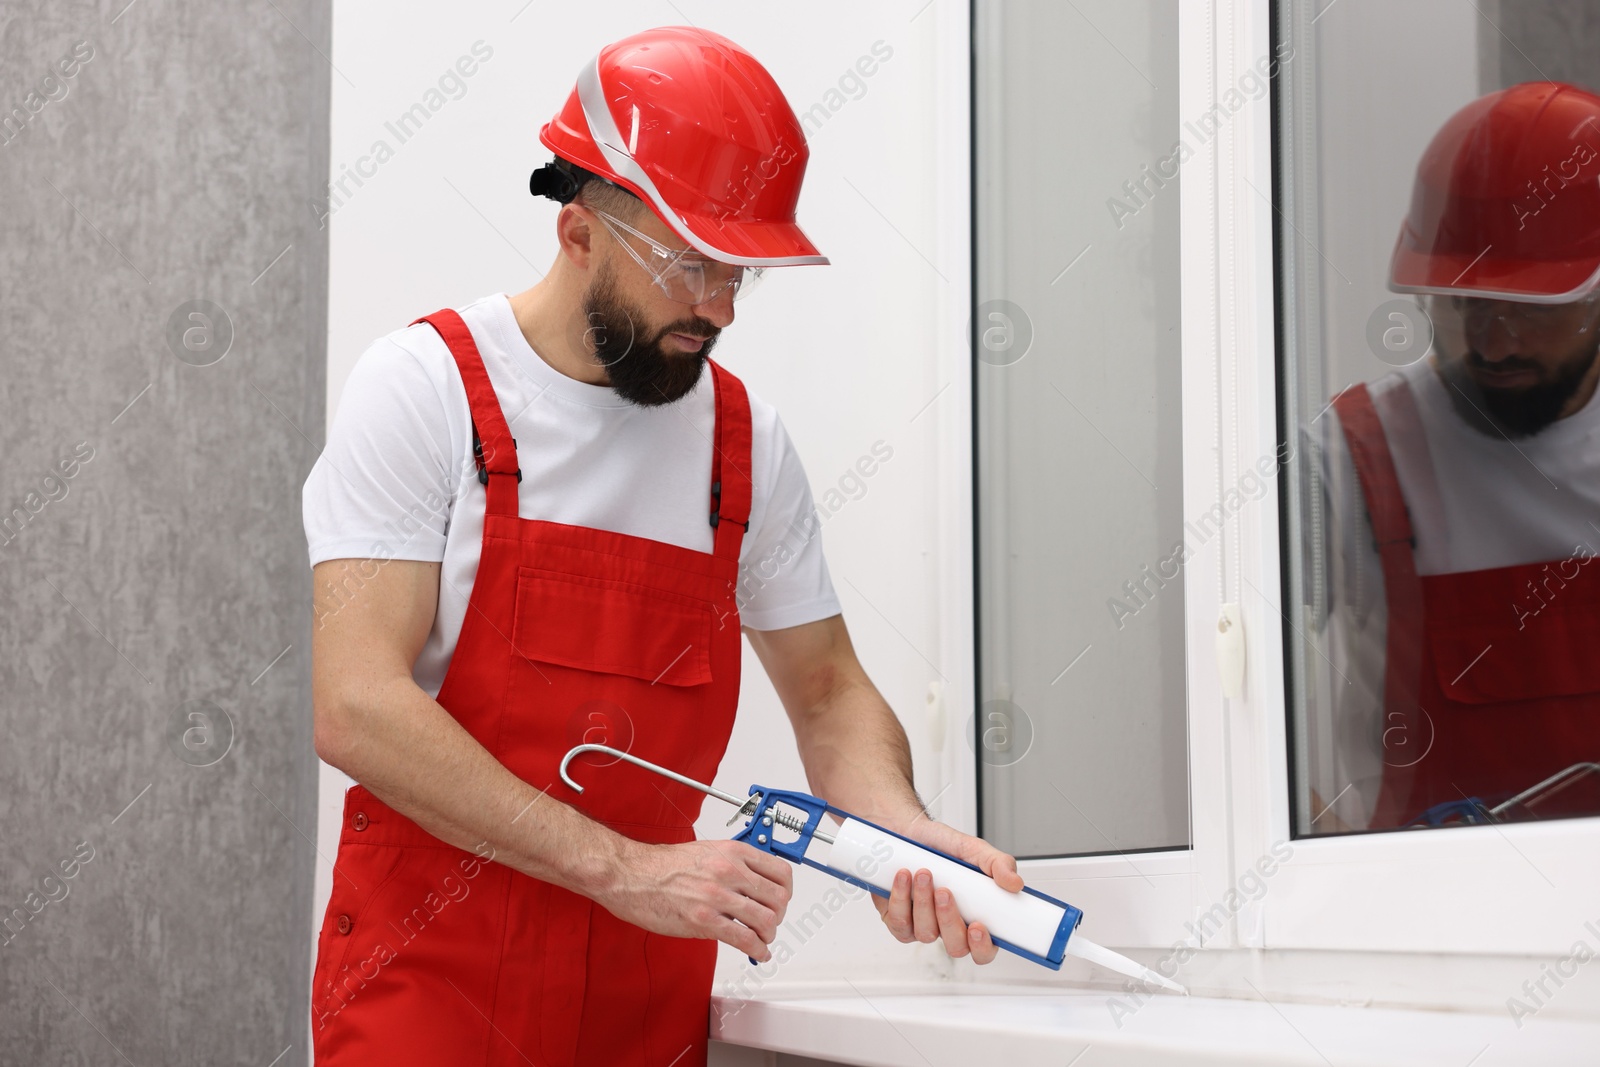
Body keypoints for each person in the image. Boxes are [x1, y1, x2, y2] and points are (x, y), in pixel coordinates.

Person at [301, 26, 1023, 1065]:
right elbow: (357, 703)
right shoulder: (426, 390)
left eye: (738, 273)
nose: (720, 308)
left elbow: (826, 693)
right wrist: (627, 869)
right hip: (432, 988)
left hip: (646, 1005)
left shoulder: (744, 445)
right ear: (580, 227)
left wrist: (902, 830)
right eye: (689, 265)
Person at [1309, 81, 1600, 832]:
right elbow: (1225, 682)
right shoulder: (1352, 454)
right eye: (1462, 301)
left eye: (1531, 308)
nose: (1492, 341)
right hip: (1428, 926)